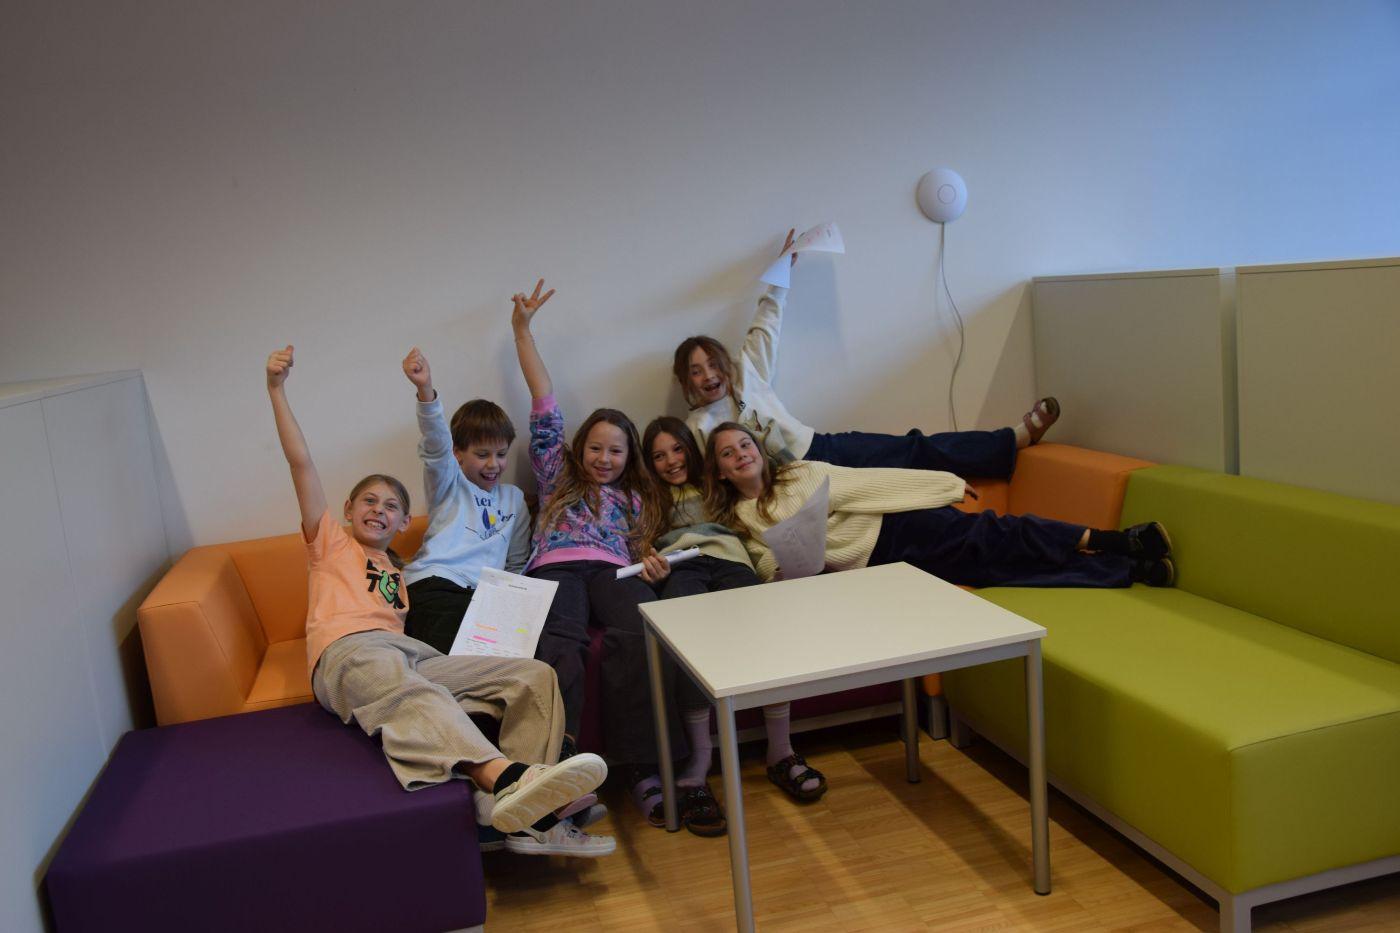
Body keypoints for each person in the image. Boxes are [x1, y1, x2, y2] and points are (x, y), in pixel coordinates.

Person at [264, 344, 613, 858]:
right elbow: (302, 465)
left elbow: (505, 567)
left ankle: (520, 820)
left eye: (392, 506)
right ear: (347, 509)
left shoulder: (401, 570)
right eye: (369, 501)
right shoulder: (330, 545)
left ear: (407, 522)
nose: (379, 511)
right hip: (350, 651)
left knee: (533, 677)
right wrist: (276, 389)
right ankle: (508, 782)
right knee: (411, 692)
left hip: (410, 652)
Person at [672, 229, 1060, 475]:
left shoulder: (747, 373)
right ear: (686, 382)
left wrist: (782, 271)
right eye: (696, 371)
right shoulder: (696, 428)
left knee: (914, 448)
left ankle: (1012, 441)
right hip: (788, 483)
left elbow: (768, 320)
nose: (708, 375)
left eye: (712, 364)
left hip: (820, 447)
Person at [510, 281, 681, 825]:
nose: (604, 458)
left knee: (645, 630)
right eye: (595, 448)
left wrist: (653, 567)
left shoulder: (635, 499)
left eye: (615, 451)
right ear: (578, 448)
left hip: (613, 571)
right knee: (563, 644)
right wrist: (522, 330)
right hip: (556, 569)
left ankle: (642, 767)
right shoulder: (556, 474)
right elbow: (544, 401)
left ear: (629, 458)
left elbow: (642, 553)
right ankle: (560, 771)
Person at [702, 421, 1176, 589]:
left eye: (745, 445)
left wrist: (943, 485)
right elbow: (764, 563)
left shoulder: (801, 472)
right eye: (728, 453)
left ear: (759, 450)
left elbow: (869, 483)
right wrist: (783, 573)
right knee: (994, 570)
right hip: (876, 566)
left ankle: (1116, 540)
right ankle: (1123, 570)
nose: (741, 454)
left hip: (897, 526)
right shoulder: (738, 519)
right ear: (720, 471)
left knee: (993, 533)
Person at [638, 417, 828, 832]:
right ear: (649, 465)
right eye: (658, 456)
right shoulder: (648, 499)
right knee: (685, 641)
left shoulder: (715, 485)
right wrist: (650, 567)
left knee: (763, 628)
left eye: (678, 449)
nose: (671, 461)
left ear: (694, 450)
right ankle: (700, 761)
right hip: (679, 568)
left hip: (730, 562)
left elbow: (767, 466)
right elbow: (640, 547)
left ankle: (781, 750)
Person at [399, 347, 532, 654]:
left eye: (501, 454)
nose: (494, 464)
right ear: (457, 454)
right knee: (455, 656)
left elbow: (516, 563)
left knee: (518, 654)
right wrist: (425, 390)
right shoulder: (448, 483)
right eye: (482, 454)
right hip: (435, 583)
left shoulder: (514, 500)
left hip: (482, 597)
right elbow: (435, 445)